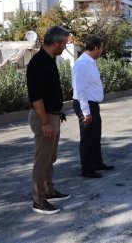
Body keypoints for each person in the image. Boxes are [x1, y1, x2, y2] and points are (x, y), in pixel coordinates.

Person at [26, 25, 72, 214]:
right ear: (55, 43)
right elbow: (36, 98)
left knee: (50, 157)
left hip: (53, 115)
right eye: (64, 44)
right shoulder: (37, 63)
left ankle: (48, 190)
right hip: (43, 118)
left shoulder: (50, 59)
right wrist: (45, 122)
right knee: (42, 159)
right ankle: (38, 200)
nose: (65, 47)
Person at [72, 34, 114, 179]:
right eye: (101, 48)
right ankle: (87, 169)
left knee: (95, 136)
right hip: (85, 104)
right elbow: (80, 89)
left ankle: (97, 163)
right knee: (87, 138)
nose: (102, 50)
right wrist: (86, 112)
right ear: (96, 48)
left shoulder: (90, 62)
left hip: (92, 104)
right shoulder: (82, 64)